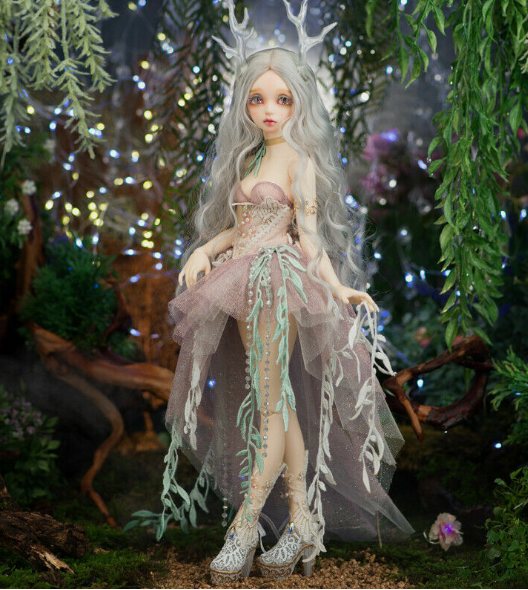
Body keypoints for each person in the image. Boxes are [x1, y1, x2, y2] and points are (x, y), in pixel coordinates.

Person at [130, 0, 415, 583]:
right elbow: (245, 224)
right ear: (245, 104)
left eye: (282, 99)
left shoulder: (298, 161)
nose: (269, 110)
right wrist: (206, 249)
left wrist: (339, 287)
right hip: (242, 276)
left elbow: (307, 235)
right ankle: (303, 522)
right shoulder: (254, 154)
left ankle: (245, 527)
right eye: (258, 99)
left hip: (277, 282)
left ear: (299, 104)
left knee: (269, 403)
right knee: (273, 401)